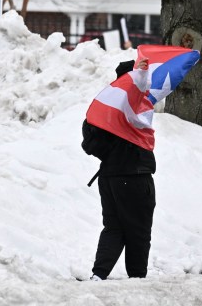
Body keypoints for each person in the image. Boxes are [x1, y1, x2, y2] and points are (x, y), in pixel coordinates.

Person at [82, 58, 156, 281]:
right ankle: (137, 279)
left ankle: (98, 275)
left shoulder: (107, 105)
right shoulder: (136, 105)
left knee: (113, 227)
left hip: (109, 177)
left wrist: (110, 154)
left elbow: (89, 142)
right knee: (139, 231)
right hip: (135, 177)